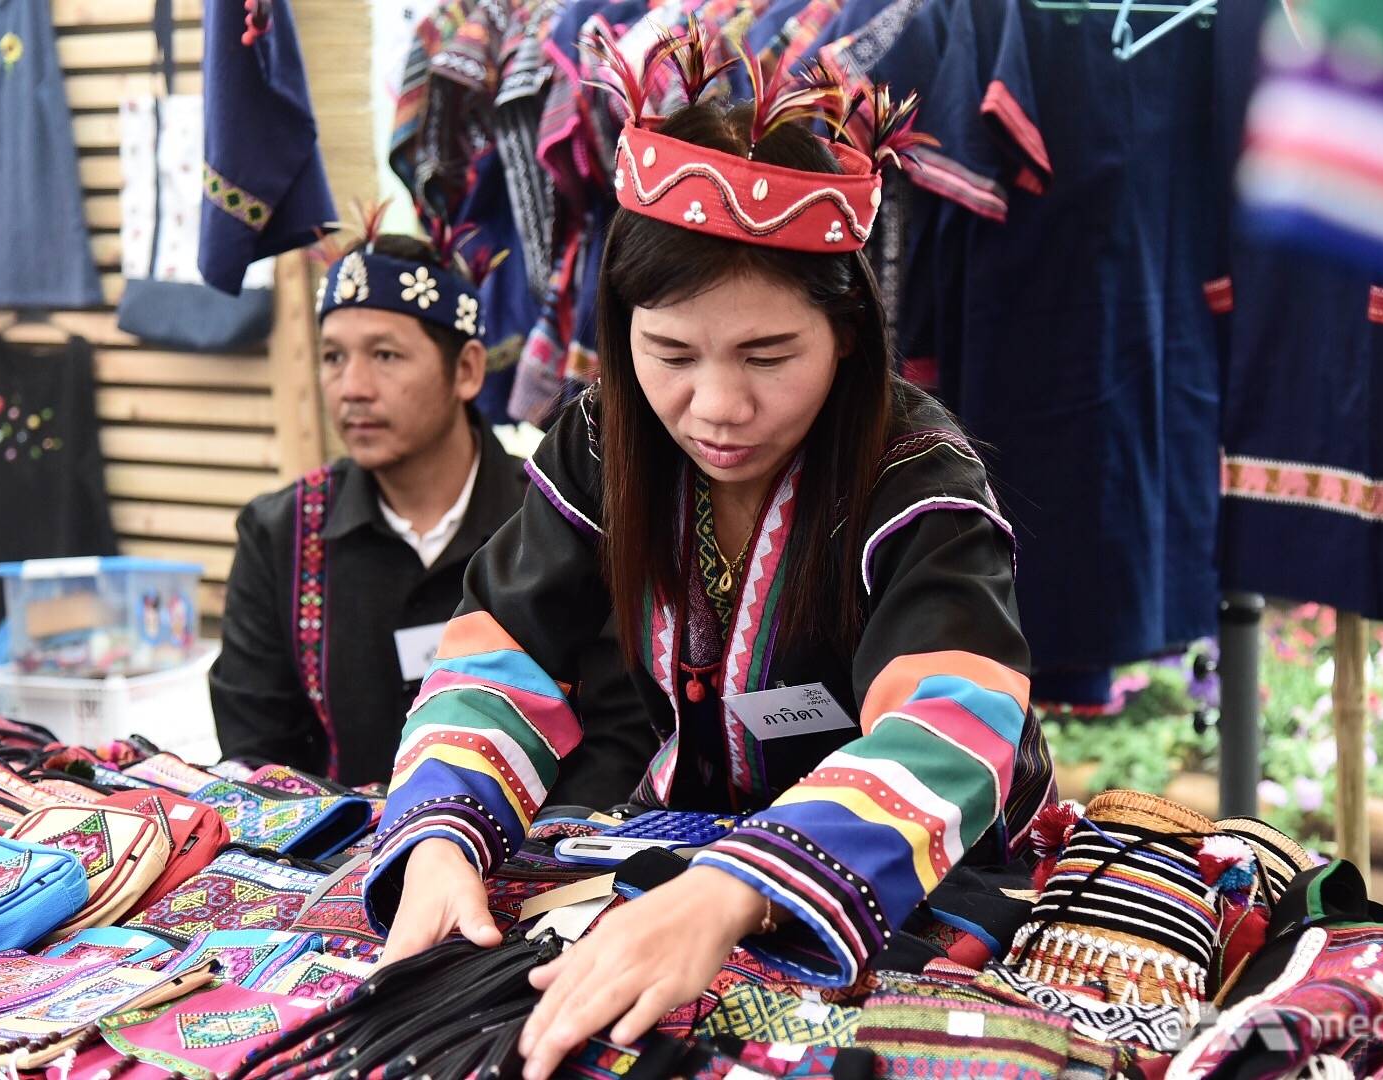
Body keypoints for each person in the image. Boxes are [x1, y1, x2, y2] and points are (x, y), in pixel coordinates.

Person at [361, 35, 1055, 1080]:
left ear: (847, 334)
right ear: (623, 332)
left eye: (768, 356)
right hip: (689, 852)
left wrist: (740, 889)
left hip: (922, 878)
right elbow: (504, 645)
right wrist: (440, 837)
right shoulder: (606, 440)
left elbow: (951, 723)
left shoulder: (918, 477)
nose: (718, 408)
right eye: (671, 354)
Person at [209, 224, 654, 800]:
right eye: (333, 357)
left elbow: (620, 735)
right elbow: (255, 751)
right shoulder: (280, 535)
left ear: (467, 369)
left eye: (385, 355)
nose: (352, 387)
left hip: (535, 847)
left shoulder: (562, 518)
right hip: (339, 848)